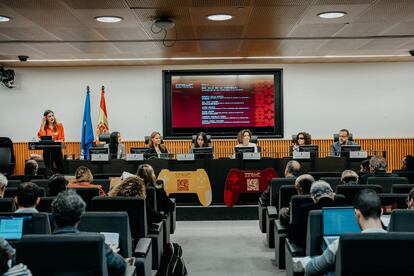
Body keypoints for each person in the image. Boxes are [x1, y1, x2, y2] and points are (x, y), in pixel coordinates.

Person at [303, 189, 386, 275]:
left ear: (356, 213)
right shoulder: (399, 243)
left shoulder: (341, 243)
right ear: (382, 211)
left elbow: (311, 270)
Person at [51, 190, 127, 275]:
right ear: (79, 217)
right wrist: (109, 253)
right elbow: (121, 266)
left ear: (54, 216)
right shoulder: (96, 242)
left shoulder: (36, 244)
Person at [287, 180, 343, 247]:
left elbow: (291, 234)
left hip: (314, 250)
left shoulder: (305, 209)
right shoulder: (346, 208)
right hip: (342, 249)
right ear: (332, 194)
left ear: (313, 197)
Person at [37, 109, 64, 174]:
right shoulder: (43, 127)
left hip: (57, 150)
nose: (52, 117)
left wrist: (54, 141)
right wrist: (43, 124)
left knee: (61, 169)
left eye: (52, 115)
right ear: (46, 118)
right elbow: (41, 136)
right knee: (49, 170)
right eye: (49, 116)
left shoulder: (59, 125)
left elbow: (62, 139)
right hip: (47, 151)